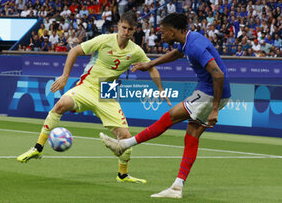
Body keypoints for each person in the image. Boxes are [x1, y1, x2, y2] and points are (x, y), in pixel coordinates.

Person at [17, 11, 171, 184]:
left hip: (107, 91)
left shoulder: (135, 51)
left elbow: (151, 67)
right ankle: (38, 148)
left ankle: (122, 175)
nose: (126, 32)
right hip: (87, 86)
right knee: (60, 105)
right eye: (124, 28)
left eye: (130, 29)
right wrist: (65, 77)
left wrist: (160, 89)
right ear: (119, 25)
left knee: (126, 138)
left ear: (134, 31)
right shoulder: (104, 40)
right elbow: (74, 51)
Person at [100, 13, 231, 198]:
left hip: (210, 94)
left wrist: (215, 108)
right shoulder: (188, 41)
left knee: (169, 117)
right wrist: (151, 64)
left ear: (172, 31)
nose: (161, 35)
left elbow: (218, 74)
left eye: (163, 32)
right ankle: (177, 188)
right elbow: (177, 53)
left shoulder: (195, 46)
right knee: (191, 137)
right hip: (208, 91)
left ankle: (124, 145)